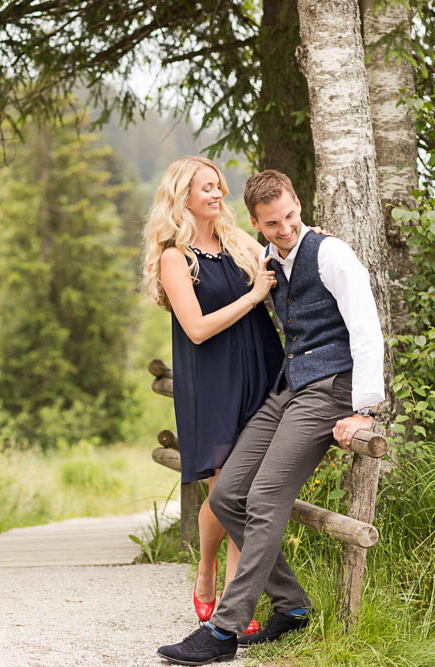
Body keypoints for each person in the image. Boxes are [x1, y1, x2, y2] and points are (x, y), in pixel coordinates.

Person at [156, 169, 385, 666]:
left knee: (263, 495)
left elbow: (367, 331)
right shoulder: (260, 258)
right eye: (273, 224)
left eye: (291, 217)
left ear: (298, 204)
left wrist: (364, 410)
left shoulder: (331, 254)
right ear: (257, 225)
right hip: (289, 385)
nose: (286, 229)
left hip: (329, 388)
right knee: (227, 493)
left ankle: (223, 630)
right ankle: (293, 606)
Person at [141, 156, 283, 635]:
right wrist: (253, 297)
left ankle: (234, 601)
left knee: (243, 489)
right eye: (207, 188)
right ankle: (206, 572)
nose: (218, 194)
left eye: (219, 186)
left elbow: (276, 255)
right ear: (183, 196)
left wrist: (305, 235)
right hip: (215, 379)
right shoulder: (174, 258)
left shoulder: (234, 240)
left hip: (259, 370)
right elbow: (197, 330)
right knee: (224, 489)